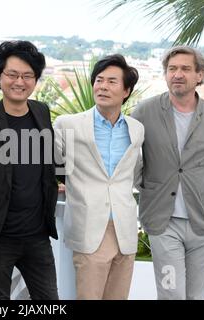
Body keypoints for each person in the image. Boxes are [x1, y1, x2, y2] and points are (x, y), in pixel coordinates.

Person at [131, 46, 204, 300]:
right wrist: (148, 186)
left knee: (194, 296)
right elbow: (130, 158)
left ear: (199, 75)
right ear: (166, 74)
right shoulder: (144, 112)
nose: (177, 74)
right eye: (172, 69)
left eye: (185, 69)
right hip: (163, 224)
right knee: (171, 293)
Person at [0, 40, 59, 300]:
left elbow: (45, 165)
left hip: (37, 236)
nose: (20, 82)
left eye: (28, 76)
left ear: (36, 79)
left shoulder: (41, 112)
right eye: (12, 74)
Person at [54, 54, 143, 299]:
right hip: (89, 226)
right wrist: (64, 184)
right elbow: (51, 165)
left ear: (126, 91)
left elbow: (134, 172)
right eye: (99, 80)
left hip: (124, 226)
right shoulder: (68, 124)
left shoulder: (136, 130)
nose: (102, 86)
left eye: (112, 82)